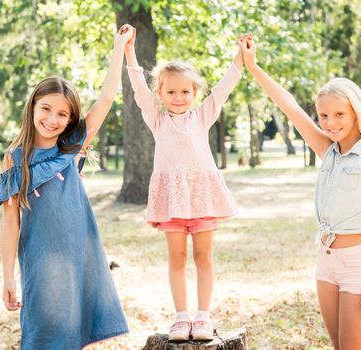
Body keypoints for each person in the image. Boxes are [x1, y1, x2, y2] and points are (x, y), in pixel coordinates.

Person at [239, 34, 361, 349]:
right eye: (324, 115)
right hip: (326, 261)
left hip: (360, 264)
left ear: (356, 112)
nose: (330, 122)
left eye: (339, 114)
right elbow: (287, 105)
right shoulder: (328, 150)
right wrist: (253, 67)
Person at [0, 25, 134, 350]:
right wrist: (8, 276)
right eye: (47, 109)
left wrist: (119, 48)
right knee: (44, 331)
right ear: (33, 107)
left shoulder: (71, 147)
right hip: (41, 258)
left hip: (80, 252)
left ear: (70, 120)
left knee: (76, 330)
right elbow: (10, 222)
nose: (53, 119)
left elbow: (107, 98)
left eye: (62, 114)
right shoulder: (14, 159)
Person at [123, 28, 243, 340]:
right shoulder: (157, 118)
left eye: (185, 92)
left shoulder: (203, 116)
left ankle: (202, 316)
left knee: (204, 257)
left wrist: (241, 56)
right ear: (160, 94)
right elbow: (137, 87)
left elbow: (225, 87)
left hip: (202, 198)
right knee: (176, 259)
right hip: (171, 201)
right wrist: (129, 50)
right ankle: (181, 318)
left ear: (195, 94)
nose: (179, 98)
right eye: (171, 92)